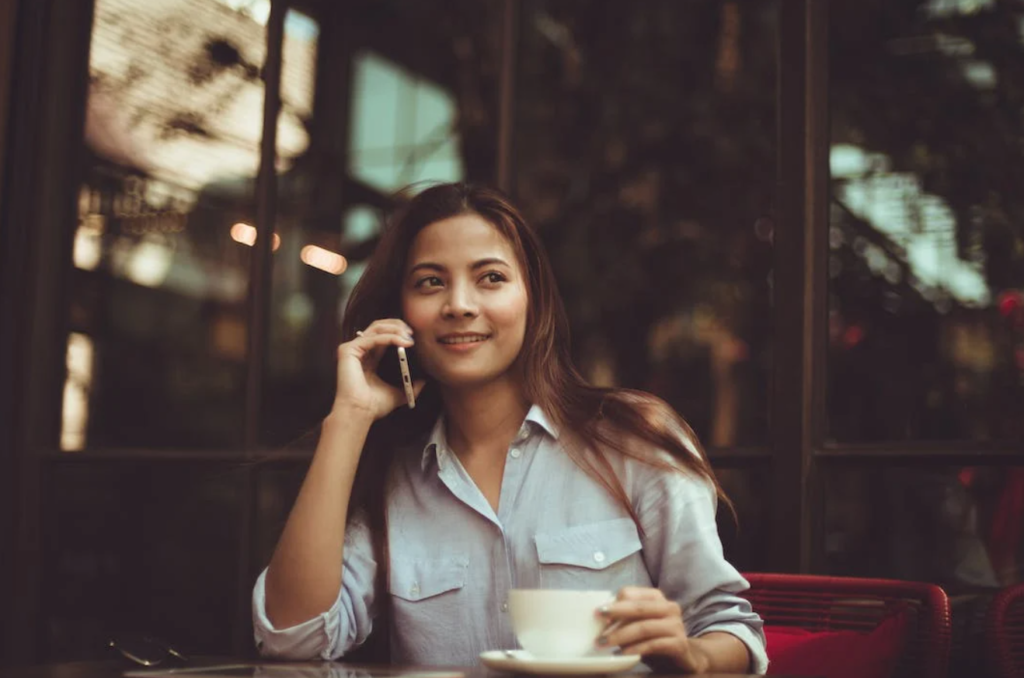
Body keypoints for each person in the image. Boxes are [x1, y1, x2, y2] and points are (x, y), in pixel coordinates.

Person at [252, 183, 767, 674]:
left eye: (491, 278)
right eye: (431, 282)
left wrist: (693, 656)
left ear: (532, 299)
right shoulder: (392, 479)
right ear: (401, 314)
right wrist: (348, 418)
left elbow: (731, 630)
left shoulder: (632, 441)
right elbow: (292, 638)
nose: (459, 304)